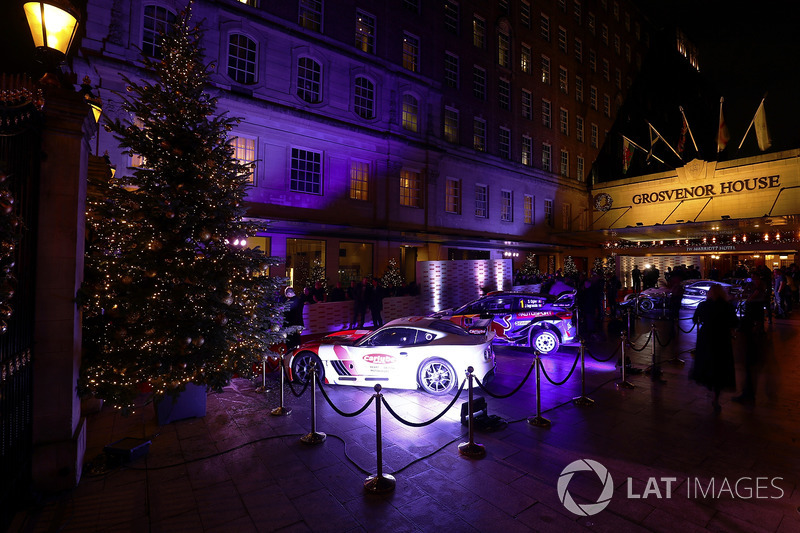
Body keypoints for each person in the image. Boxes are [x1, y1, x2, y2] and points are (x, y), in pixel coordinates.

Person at [690, 284, 738, 412]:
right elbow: (734, 322)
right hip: (722, 338)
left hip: (706, 337)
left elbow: (695, 319)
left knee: (706, 361)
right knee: (720, 364)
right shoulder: (727, 306)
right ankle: (716, 395)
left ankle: (708, 383)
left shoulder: (703, 305)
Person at [733, 279, 767, 406]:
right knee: (750, 371)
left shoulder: (752, 305)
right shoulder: (758, 303)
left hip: (749, 343)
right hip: (754, 342)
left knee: (747, 370)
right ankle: (749, 393)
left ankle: (747, 393)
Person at [283, 287, 304, 352]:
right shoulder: (299, 300)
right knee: (297, 342)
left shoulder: (289, 302)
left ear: (288, 294)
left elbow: (286, 313)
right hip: (298, 323)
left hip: (290, 324)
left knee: (290, 344)